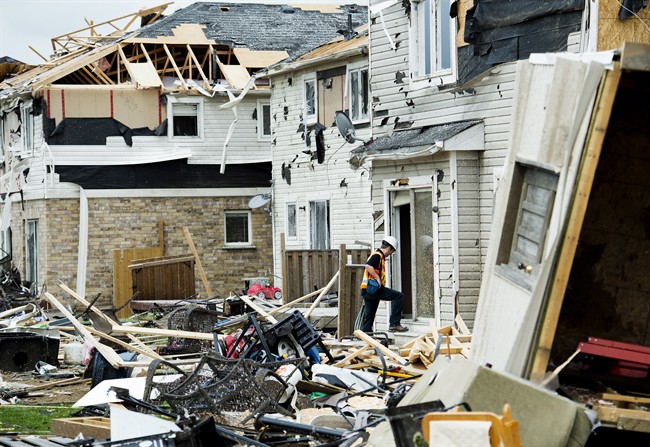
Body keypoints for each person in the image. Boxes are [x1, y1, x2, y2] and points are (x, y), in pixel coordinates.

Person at [360, 236, 408, 333]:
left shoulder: (377, 255)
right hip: (374, 289)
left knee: (370, 315)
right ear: (389, 248)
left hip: (367, 290)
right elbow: (368, 266)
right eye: (391, 252)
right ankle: (394, 324)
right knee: (399, 296)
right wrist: (377, 278)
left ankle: (366, 333)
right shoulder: (377, 256)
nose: (390, 254)